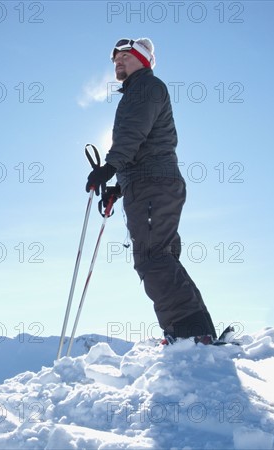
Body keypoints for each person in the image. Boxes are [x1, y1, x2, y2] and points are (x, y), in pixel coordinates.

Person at [86, 38, 217, 342]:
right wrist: (118, 187)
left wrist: (109, 167)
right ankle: (195, 331)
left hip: (152, 185)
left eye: (126, 56)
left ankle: (189, 334)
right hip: (150, 183)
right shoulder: (140, 91)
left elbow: (132, 135)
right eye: (116, 58)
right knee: (162, 256)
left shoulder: (145, 88)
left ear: (143, 61)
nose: (118, 61)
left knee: (152, 257)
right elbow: (142, 146)